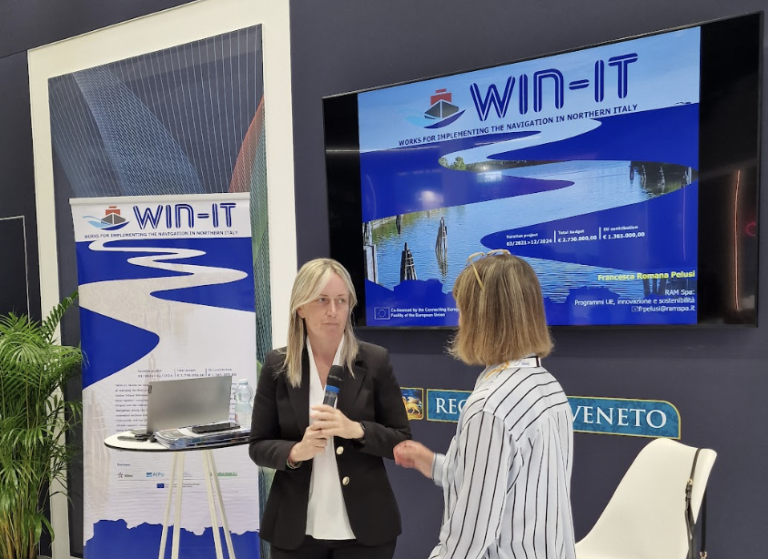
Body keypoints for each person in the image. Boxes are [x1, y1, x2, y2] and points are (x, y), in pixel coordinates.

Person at [394, 250, 576, 559]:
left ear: (482, 319)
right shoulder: (547, 386)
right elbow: (507, 484)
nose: (459, 321)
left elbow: (469, 538)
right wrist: (434, 464)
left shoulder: (489, 407)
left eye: (462, 311)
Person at [248, 258, 411, 559]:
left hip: (366, 532)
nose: (333, 311)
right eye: (322, 300)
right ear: (300, 307)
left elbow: (401, 439)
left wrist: (357, 430)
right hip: (296, 532)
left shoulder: (375, 361)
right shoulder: (277, 366)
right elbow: (258, 446)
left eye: (341, 301)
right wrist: (296, 451)